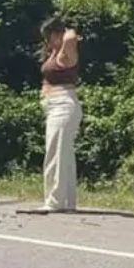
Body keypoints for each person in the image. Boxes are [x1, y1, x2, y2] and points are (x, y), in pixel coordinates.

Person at [39, 17, 82, 214]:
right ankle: (66, 201)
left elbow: (71, 37)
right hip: (54, 106)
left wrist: (66, 29)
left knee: (55, 154)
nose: (48, 41)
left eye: (50, 36)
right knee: (63, 155)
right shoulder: (54, 53)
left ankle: (55, 201)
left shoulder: (67, 52)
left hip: (63, 104)